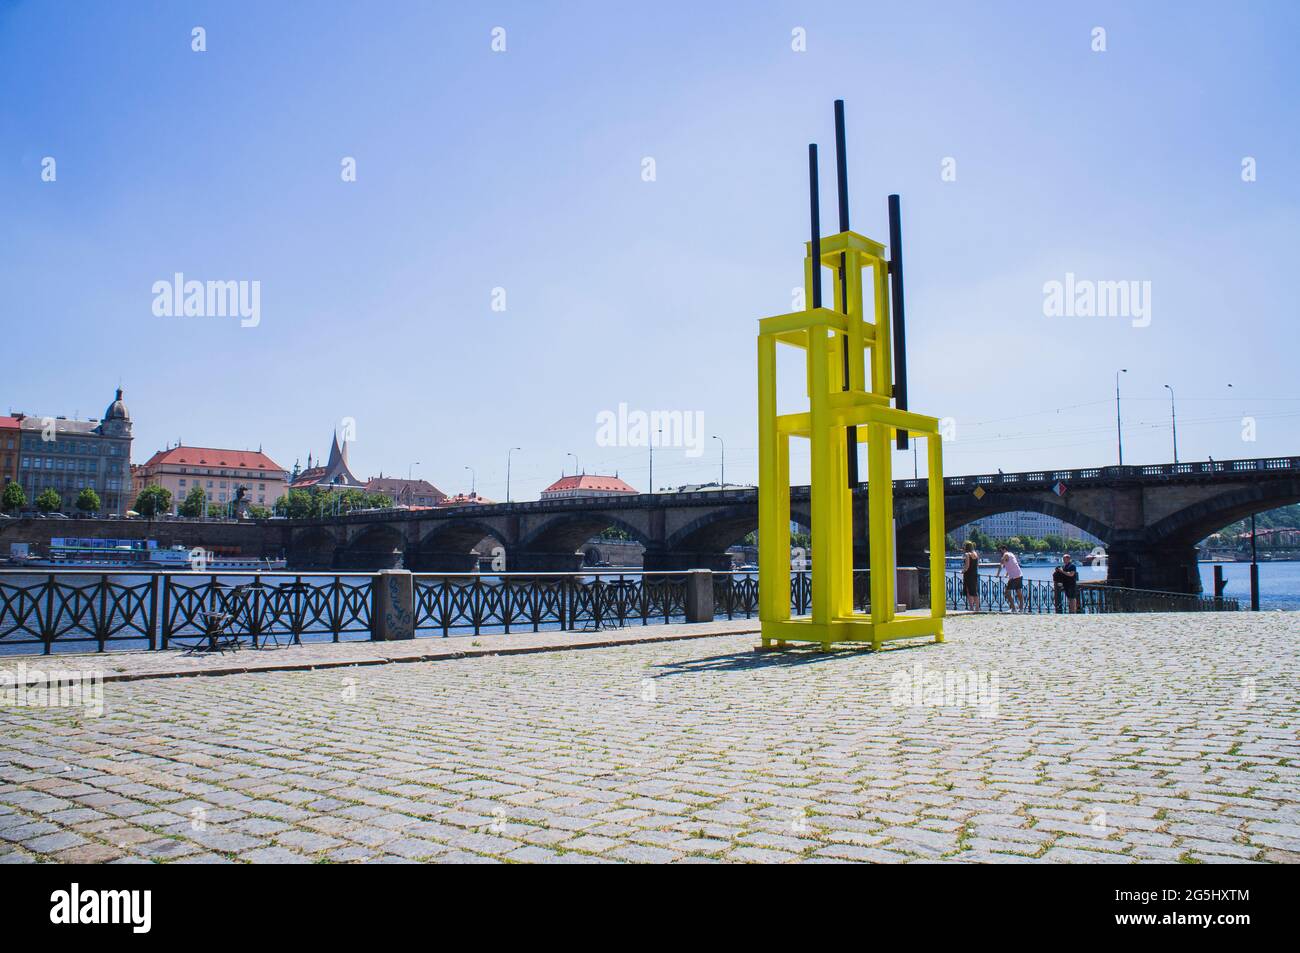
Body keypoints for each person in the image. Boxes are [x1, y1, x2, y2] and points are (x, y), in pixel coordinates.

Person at [997, 545, 1026, 612]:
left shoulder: (1005, 554)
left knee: (1007, 592)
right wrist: (1007, 574)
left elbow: (1001, 565)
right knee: (1018, 591)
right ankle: (1021, 608)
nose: (1000, 552)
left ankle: (1013, 608)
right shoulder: (1011, 554)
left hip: (1013, 576)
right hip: (1019, 574)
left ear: (1004, 549)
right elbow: (1011, 565)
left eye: (1000, 550)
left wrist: (997, 574)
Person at [961, 541, 981, 611]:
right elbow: (977, 565)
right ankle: (977, 608)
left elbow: (967, 566)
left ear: (966, 547)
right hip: (974, 574)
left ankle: (971, 607)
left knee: (968, 591)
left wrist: (962, 571)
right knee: (974, 591)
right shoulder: (975, 554)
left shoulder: (967, 554)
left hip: (968, 574)